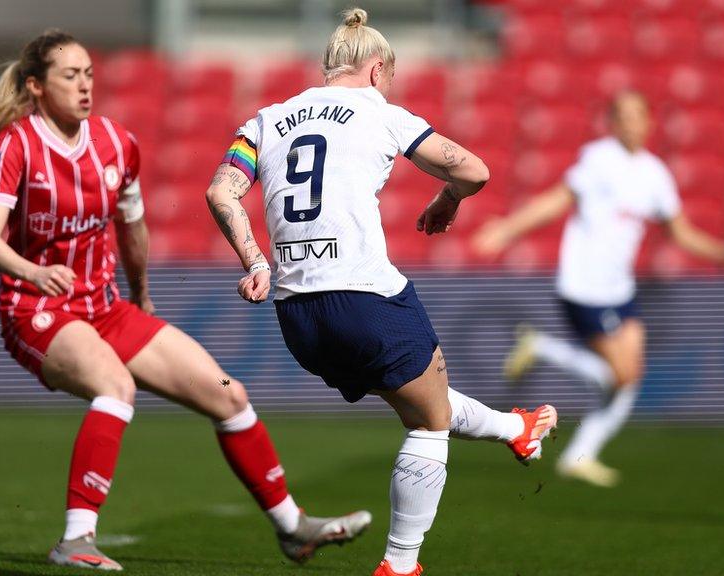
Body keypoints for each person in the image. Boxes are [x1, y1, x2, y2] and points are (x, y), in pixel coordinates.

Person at [0, 29, 370, 571]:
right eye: (69, 76)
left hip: (106, 310)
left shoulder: (116, 143)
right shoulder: (16, 144)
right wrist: (33, 271)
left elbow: (133, 229)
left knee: (228, 394)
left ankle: (293, 527)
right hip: (38, 310)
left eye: (89, 75)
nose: (84, 86)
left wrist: (142, 294)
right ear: (35, 86)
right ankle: (76, 540)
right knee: (115, 387)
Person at [206, 9, 558, 576]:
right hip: (366, 297)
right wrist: (447, 200)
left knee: (425, 399)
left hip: (297, 315)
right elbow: (475, 171)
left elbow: (222, 193)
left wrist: (256, 262)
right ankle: (400, 564)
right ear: (376, 70)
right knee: (428, 424)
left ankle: (518, 429)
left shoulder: (267, 121)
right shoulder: (381, 113)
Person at [472, 91, 724, 487]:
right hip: (583, 286)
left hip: (619, 289)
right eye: (622, 116)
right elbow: (557, 200)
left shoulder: (655, 173)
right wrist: (507, 229)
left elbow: (680, 232)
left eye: (637, 116)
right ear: (611, 122)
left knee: (630, 376)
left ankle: (578, 454)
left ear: (649, 122)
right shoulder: (598, 159)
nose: (630, 123)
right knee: (622, 375)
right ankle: (542, 349)